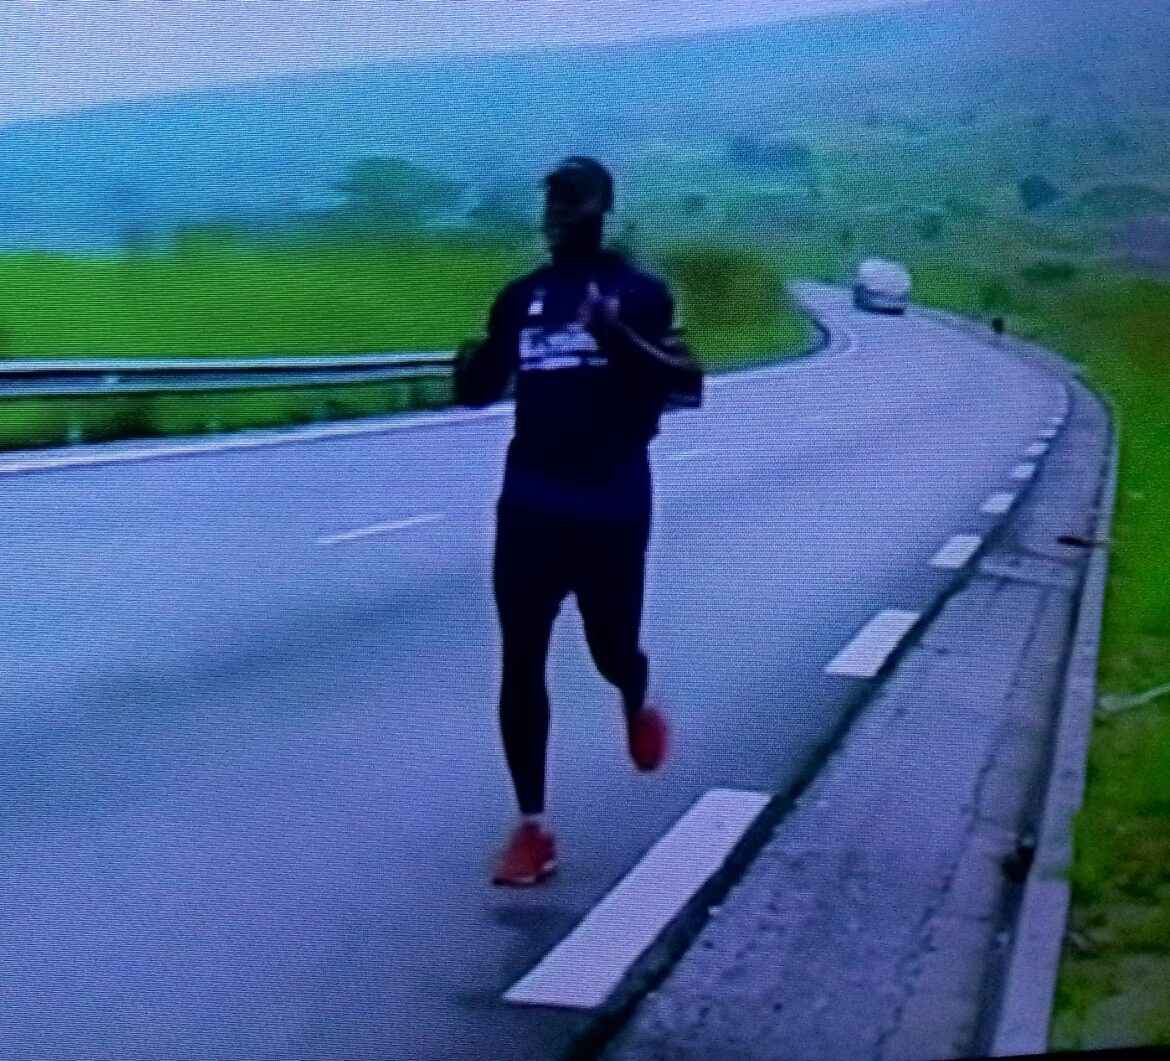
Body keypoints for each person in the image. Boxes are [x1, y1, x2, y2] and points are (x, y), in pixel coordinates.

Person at [454, 156, 703, 887]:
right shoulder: (522, 298)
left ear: (602, 209)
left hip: (613, 505)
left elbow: (688, 383)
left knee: (608, 646)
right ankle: (532, 828)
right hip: (531, 503)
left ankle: (635, 690)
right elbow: (481, 388)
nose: (556, 215)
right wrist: (469, 371)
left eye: (570, 201)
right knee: (521, 660)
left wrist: (615, 333)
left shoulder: (642, 292)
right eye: (550, 202)